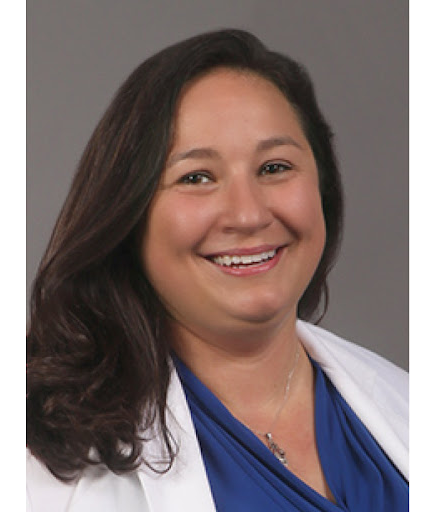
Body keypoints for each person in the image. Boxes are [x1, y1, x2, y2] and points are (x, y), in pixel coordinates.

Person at [26, 29, 408, 511]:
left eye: (274, 168)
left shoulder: (409, 402)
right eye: (196, 177)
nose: (248, 215)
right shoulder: (33, 458)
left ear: (322, 187)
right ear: (129, 214)